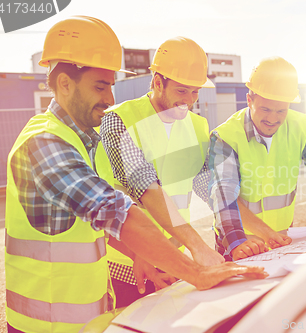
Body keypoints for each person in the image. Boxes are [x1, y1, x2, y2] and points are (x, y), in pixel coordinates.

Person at [4, 16, 266, 333]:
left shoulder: (83, 138)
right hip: (43, 324)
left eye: (111, 86)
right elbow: (120, 209)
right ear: (64, 84)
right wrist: (194, 268)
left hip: (101, 304)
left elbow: (84, 223)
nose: (110, 100)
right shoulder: (45, 144)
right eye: (100, 86)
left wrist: (144, 254)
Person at [97, 36, 224, 307]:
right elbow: (144, 188)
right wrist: (196, 246)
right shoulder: (118, 119)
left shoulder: (199, 126)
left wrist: (241, 231)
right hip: (130, 259)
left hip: (175, 257)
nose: (188, 101)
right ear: (157, 82)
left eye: (195, 92)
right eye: (181, 91)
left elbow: (210, 188)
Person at [208, 56, 306, 261]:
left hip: (280, 241)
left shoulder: (301, 127)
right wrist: (237, 243)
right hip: (238, 244)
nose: (272, 119)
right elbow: (223, 193)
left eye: (281, 110)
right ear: (250, 99)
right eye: (265, 109)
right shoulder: (226, 136)